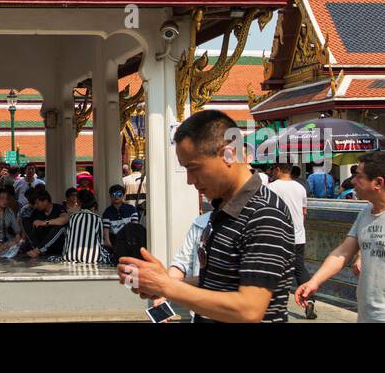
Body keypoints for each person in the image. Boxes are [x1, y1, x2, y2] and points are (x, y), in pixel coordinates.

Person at [118, 110, 295, 322]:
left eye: (194, 168)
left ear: (228, 154)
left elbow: (249, 310)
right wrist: (162, 283)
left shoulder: (265, 214)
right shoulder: (223, 209)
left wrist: (167, 286)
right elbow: (217, 281)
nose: (190, 180)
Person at [296, 151, 385, 323]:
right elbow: (343, 252)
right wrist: (314, 282)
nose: (353, 181)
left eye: (359, 176)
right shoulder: (366, 211)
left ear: (378, 182)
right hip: (368, 315)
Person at [266, 162, 314, 319]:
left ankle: (276, 305)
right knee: (299, 268)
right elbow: (304, 211)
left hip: (277, 235)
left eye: (273, 169)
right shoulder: (300, 188)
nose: (272, 172)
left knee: (275, 270)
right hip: (298, 236)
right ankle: (309, 300)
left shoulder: (270, 188)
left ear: (278, 169)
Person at [59, 189, 110, 264]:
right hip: (93, 258)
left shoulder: (73, 217)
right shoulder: (97, 218)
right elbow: (101, 241)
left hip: (71, 256)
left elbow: (68, 237)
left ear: (78, 202)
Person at [19, 187, 67, 258]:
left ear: (45, 201)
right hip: (41, 243)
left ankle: (38, 250)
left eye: (37, 203)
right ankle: (37, 248)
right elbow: (29, 229)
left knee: (60, 226)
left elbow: (65, 219)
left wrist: (45, 222)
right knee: (25, 221)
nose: (35, 206)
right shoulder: (36, 212)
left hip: (57, 244)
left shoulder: (58, 208)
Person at [0, 187, 22, 257]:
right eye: (2, 198)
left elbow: (17, 231)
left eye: (6, 199)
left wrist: (17, 239)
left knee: (19, 242)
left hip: (7, 242)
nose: (5, 201)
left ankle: (4, 251)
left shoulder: (9, 212)